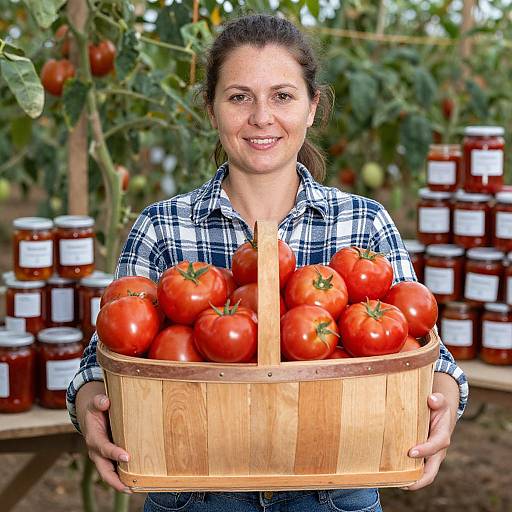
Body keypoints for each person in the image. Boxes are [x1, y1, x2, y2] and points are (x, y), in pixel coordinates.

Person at [67, 13, 468, 512]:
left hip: (336, 489)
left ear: (312, 106)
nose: (261, 117)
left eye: (282, 96)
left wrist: (445, 403)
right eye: (238, 97)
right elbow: (98, 362)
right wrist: (91, 411)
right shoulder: (163, 226)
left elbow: (429, 354)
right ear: (211, 110)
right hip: (193, 490)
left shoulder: (363, 222)